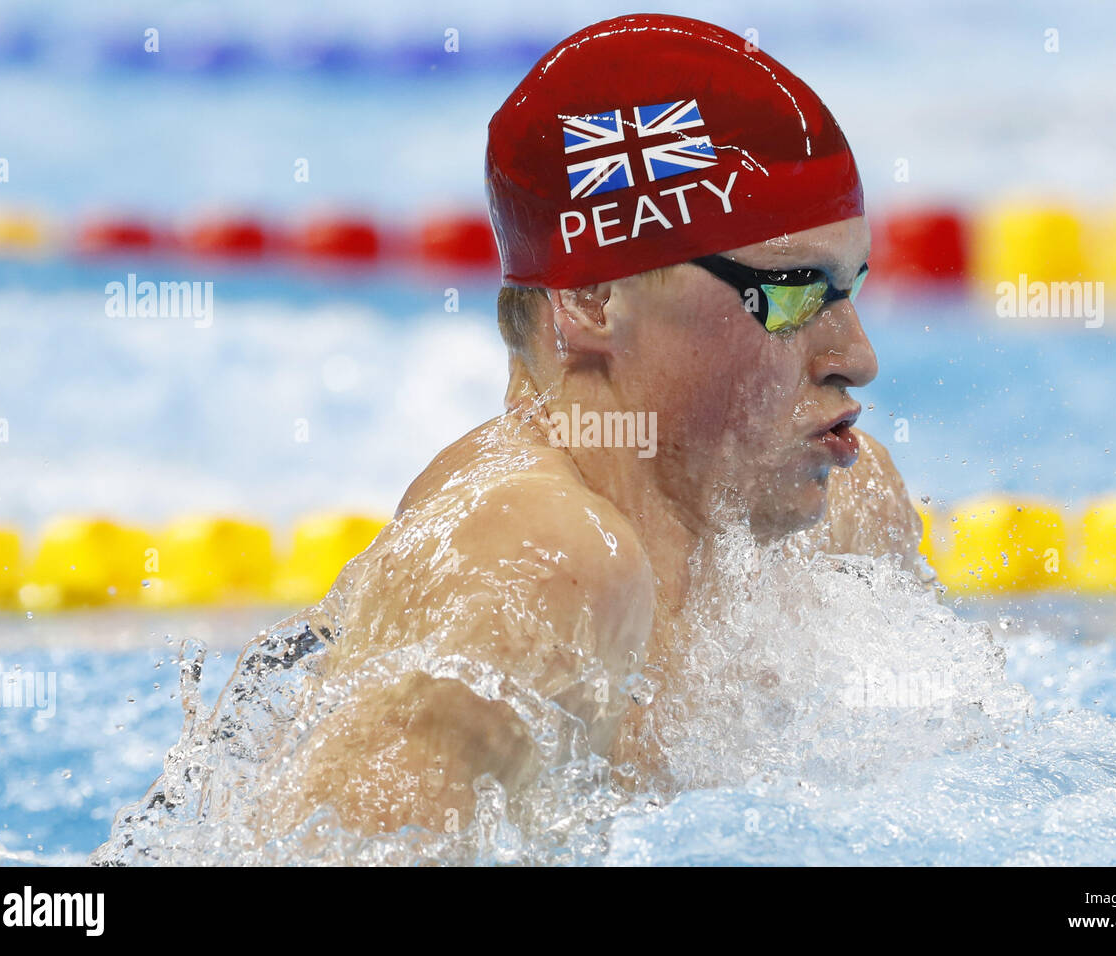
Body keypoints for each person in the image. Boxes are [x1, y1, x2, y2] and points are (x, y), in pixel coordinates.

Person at [269, 13, 923, 837]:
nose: (856, 356)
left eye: (849, 286)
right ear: (591, 300)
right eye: (792, 290)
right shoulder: (542, 561)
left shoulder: (845, 519)